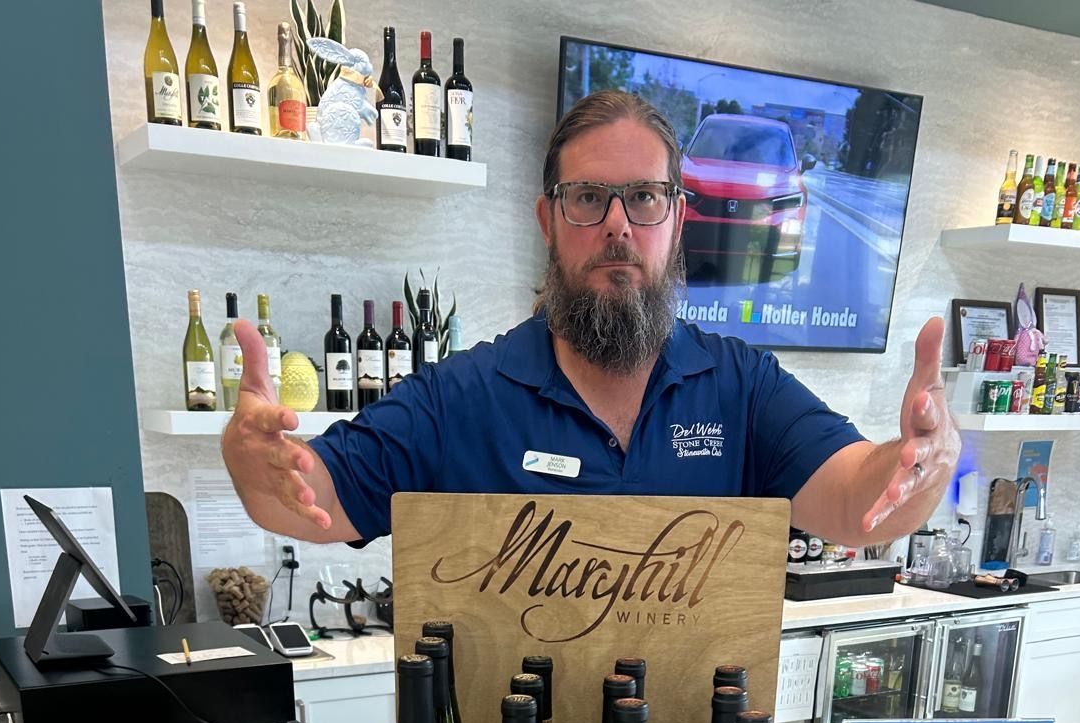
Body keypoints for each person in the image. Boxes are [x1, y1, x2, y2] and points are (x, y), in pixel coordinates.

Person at [222, 91, 958, 547]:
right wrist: (258, 468)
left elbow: (861, 500)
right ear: (549, 219)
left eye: (644, 198)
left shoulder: (744, 388)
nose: (617, 225)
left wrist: (921, 466)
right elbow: (312, 498)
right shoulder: (462, 398)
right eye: (587, 198)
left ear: (675, 219)